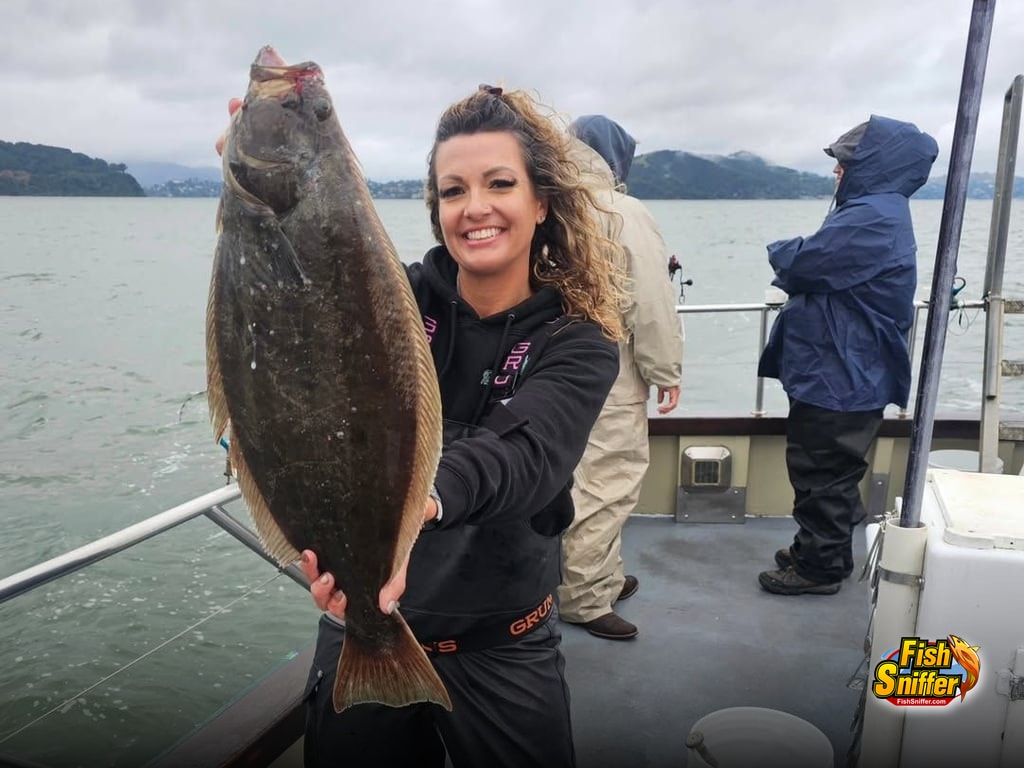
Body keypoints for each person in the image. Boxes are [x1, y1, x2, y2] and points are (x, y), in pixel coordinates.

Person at [217, 84, 625, 766]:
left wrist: (420, 502)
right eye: (453, 190)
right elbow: (294, 309)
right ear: (436, 209)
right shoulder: (391, 301)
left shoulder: (577, 341)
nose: (476, 208)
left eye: (499, 183)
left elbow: (523, 457)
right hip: (363, 631)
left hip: (505, 644)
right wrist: (264, 185)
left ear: (541, 202)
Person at [756, 115, 938, 596]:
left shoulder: (872, 216)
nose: (837, 170)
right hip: (840, 367)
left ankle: (820, 567)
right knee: (823, 467)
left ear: (874, 164)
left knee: (824, 470)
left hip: (843, 371)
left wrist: (784, 249)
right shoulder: (872, 209)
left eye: (846, 161)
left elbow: (803, 262)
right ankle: (818, 547)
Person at [557, 115, 684, 639]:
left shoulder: (550, 204)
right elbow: (650, 301)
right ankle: (585, 599)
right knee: (606, 481)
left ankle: (597, 575)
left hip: (546, 366)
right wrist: (665, 370)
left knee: (560, 479)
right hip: (608, 368)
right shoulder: (622, 211)